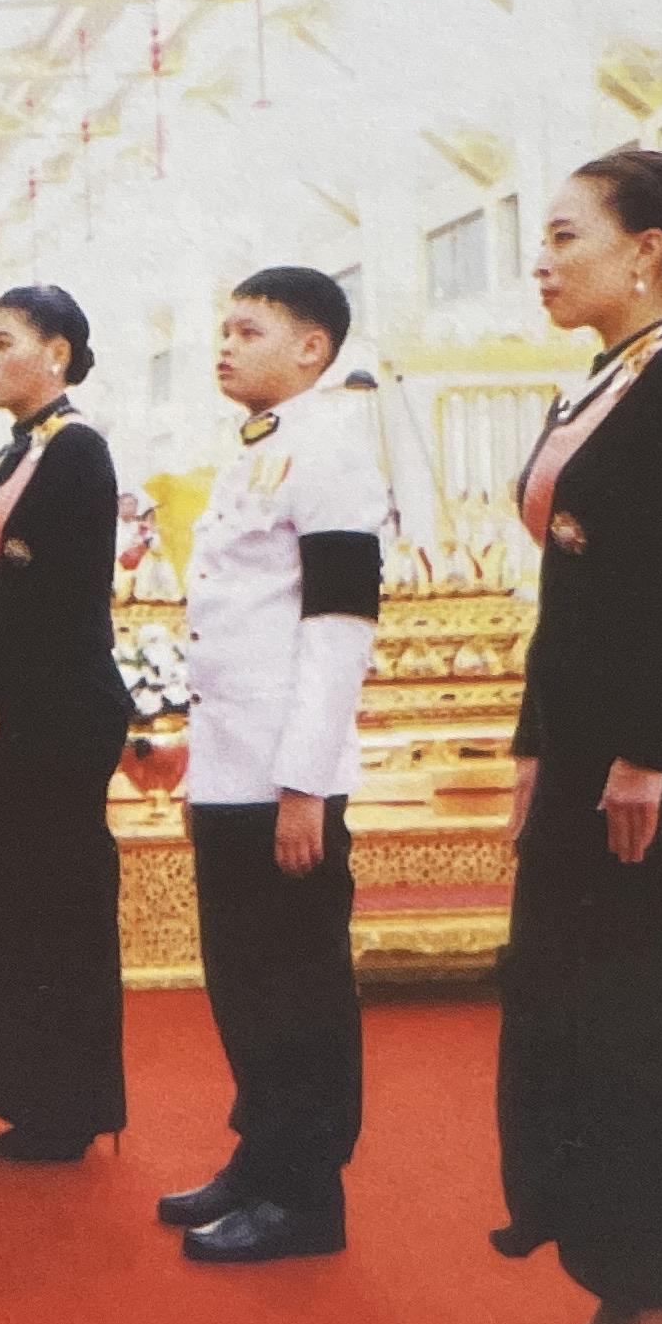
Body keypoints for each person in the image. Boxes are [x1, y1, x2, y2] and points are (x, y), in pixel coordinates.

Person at [496, 146, 662, 1324]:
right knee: (576, 1021)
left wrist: (642, 751)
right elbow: (568, 602)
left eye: (562, 236)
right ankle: (616, 1273)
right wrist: (537, 752)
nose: (538, 262)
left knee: (647, 1024)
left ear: (645, 249)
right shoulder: (598, 382)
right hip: (586, 742)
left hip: (660, 748)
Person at [159, 266, 385, 1267]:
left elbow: (340, 625)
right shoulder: (258, 451)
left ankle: (306, 1195)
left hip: (286, 774)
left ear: (311, 348)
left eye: (248, 329)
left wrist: (306, 783)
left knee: (294, 986)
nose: (224, 344)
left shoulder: (330, 446)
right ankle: (261, 1155)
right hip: (230, 762)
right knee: (242, 976)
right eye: (222, 327)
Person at [0, 285, 130, 1166]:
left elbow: (54, 596)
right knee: (15, 902)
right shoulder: (21, 450)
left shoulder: (79, 452)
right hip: (31, 701)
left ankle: (67, 1104)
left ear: (56, 353)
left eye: (3, 340)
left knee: (52, 905)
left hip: (63, 707)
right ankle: (29, 1092)